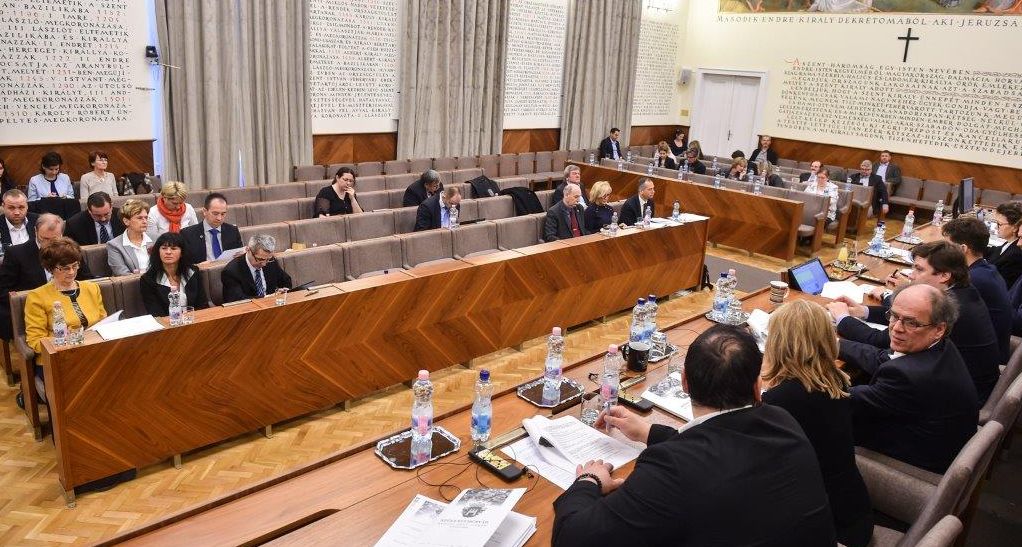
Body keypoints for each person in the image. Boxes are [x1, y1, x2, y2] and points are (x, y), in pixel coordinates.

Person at [552, 325, 835, 546]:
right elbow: (723, 450)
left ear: (685, 382)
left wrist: (588, 481)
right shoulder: (783, 421)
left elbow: (572, 538)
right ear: (757, 388)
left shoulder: (672, 470)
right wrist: (648, 432)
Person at [828, 240, 1000, 405]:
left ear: (944, 275)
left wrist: (841, 321)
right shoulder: (959, 297)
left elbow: (882, 346)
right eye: (894, 316)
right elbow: (890, 349)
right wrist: (862, 312)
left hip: (947, 401)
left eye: (919, 269)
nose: (911, 275)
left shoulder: (907, 373)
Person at [761, 301, 873, 547]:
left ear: (777, 343)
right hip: (852, 510)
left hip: (827, 531)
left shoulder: (780, 401)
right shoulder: (835, 380)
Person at [837, 284, 979, 474]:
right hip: (936, 441)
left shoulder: (909, 376)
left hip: (912, 466)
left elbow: (840, 399)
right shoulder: (941, 346)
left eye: (911, 323)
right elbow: (884, 358)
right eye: (894, 316)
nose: (896, 328)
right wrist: (832, 344)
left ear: (939, 329)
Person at [23, 238, 106, 396]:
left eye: (75, 266)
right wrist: (64, 341)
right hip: (58, 359)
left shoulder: (92, 288)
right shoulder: (37, 297)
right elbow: (35, 340)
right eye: (64, 268)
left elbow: (103, 321)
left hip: (93, 352)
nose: (72, 272)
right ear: (51, 268)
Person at [0, 213, 92, 341]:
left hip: (70, 307)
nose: (49, 244)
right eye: (44, 239)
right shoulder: (16, 253)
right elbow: (3, 290)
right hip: (34, 310)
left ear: (62, 234)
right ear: (35, 231)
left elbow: (86, 278)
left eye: (54, 239)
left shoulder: (70, 251)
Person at [942, 217, 1012, 364]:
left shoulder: (973, 280)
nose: (942, 253)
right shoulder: (986, 270)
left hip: (978, 362)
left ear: (963, 249)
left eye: (946, 247)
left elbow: (938, 309)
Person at [140, 231, 209, 316]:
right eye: (164, 248)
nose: (168, 252)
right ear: (158, 252)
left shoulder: (193, 272)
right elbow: (156, 313)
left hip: (194, 319)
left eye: (173, 248)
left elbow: (202, 304)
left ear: (182, 253)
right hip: (167, 322)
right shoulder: (148, 279)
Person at [221, 234, 292, 303]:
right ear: (248, 250)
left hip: (273, 305)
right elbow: (236, 300)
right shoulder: (231, 271)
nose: (264, 264)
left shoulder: (270, 261)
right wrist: (266, 298)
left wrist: (283, 290)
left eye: (268, 259)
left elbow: (286, 280)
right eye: (260, 259)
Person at [180, 192, 243, 264]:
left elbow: (239, 258)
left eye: (223, 214)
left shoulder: (232, 231)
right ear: (205, 211)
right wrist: (197, 267)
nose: (219, 218)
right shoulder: (188, 234)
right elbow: (184, 264)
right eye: (215, 213)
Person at [107, 199, 153, 276]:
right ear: (126, 221)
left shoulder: (156, 239)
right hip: (134, 283)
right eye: (139, 218)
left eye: (146, 217)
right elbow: (122, 273)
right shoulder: (114, 245)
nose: (145, 221)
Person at [985, 201, 1022, 289]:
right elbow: (996, 252)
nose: (996, 227)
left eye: (999, 224)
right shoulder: (1010, 243)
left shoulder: (1015, 255)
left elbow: (997, 286)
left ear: (1015, 227)